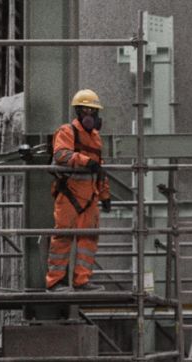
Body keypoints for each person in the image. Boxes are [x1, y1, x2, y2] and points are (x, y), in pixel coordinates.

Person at [45, 88, 111, 292]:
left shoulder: (96, 138)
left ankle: (82, 281)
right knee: (63, 237)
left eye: (93, 111)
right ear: (78, 112)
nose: (89, 116)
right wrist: (84, 161)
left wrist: (105, 195)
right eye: (85, 111)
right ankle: (55, 282)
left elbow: (99, 168)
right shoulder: (67, 131)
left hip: (90, 196)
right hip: (69, 194)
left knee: (88, 240)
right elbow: (61, 155)